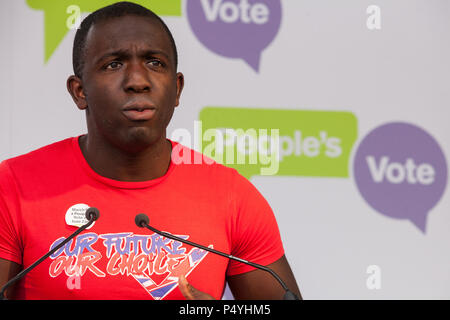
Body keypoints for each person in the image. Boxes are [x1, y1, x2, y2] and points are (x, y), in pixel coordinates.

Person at [0, 1, 301, 300]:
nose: (137, 81)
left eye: (155, 63)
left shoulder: (233, 198)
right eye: (113, 64)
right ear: (80, 91)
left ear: (177, 88)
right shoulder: (13, 186)